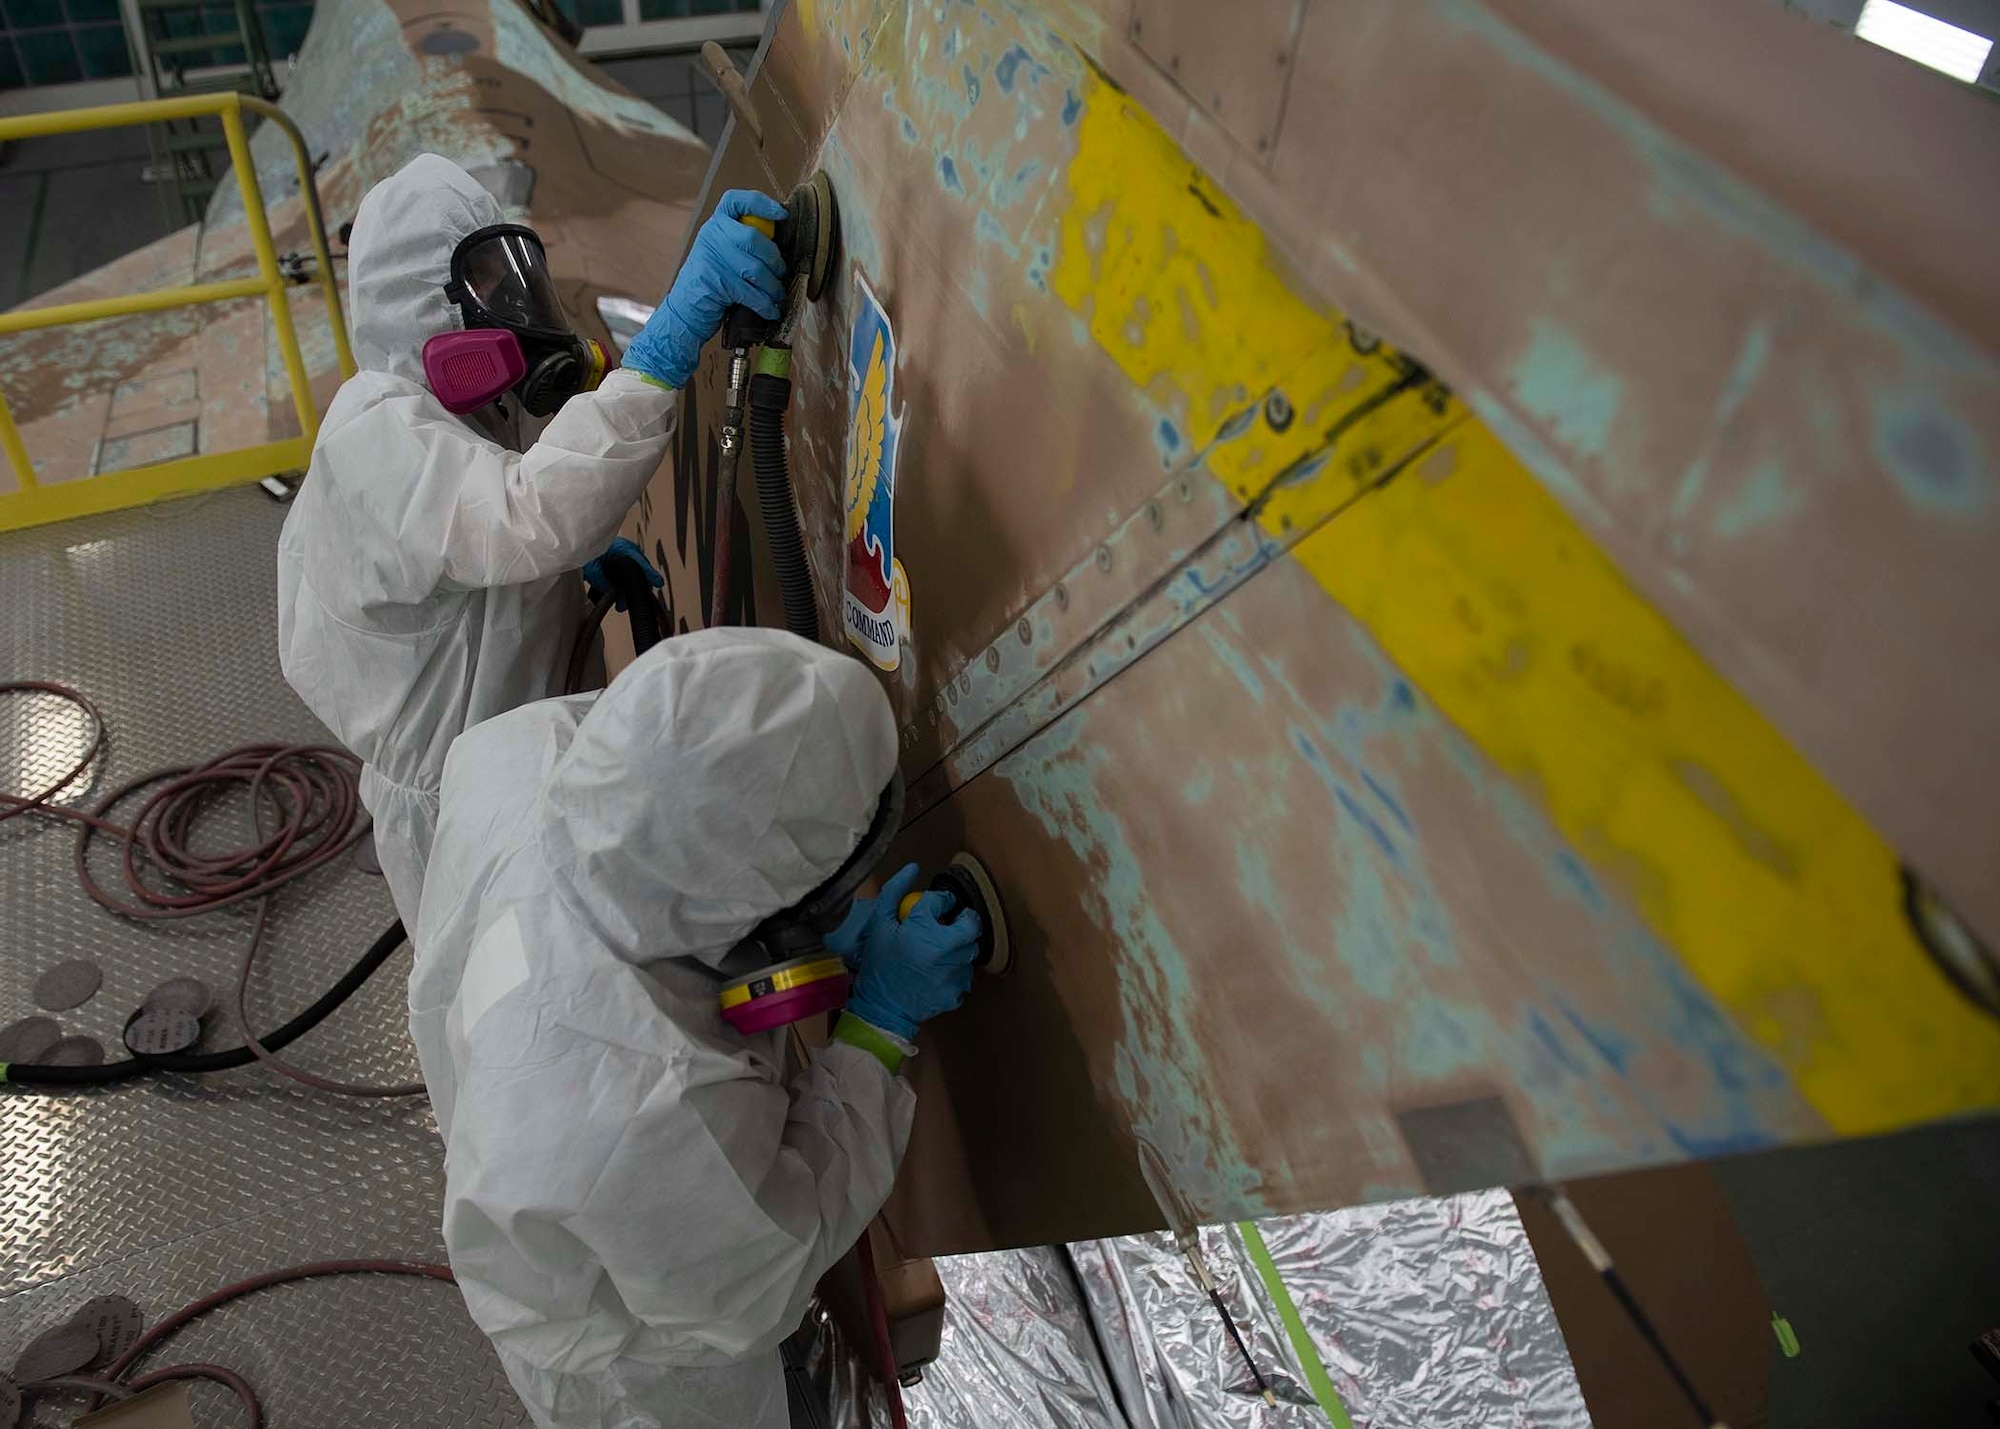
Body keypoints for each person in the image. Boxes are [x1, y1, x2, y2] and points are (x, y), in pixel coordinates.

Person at [408, 627, 982, 1429]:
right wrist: (879, 1027)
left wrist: (790, 946)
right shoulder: (640, 1104)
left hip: (523, 1097)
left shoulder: (529, 748)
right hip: (637, 1355)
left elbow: (681, 852)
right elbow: (766, 1270)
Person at [277, 151, 790, 928]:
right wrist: (663, 349)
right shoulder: (373, 434)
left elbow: (471, 550)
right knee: (511, 1011)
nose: (514, 305)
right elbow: (529, 515)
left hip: (518, 761)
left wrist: (571, 574)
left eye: (516, 276)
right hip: (461, 810)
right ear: (420, 307)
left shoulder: (470, 416)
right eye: (486, 285)